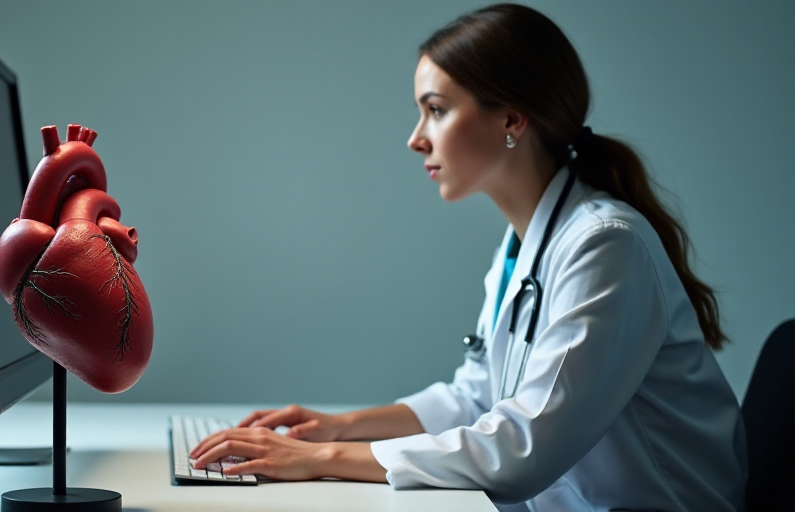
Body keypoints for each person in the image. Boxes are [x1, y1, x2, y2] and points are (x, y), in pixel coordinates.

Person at [188, 4, 747, 510]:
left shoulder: (605, 244)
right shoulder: (525, 243)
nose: (415, 138)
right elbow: (475, 396)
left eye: (435, 110)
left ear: (511, 119)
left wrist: (319, 460)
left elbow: (522, 448)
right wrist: (335, 427)